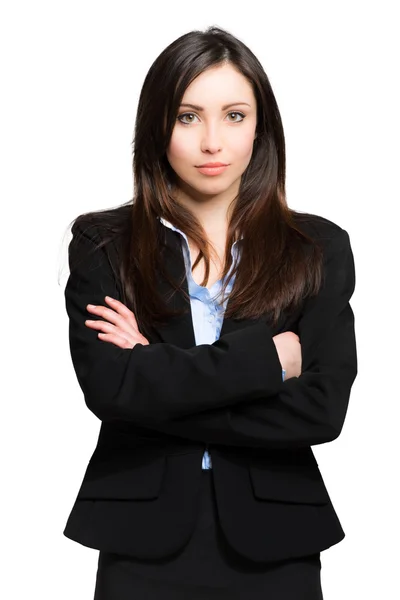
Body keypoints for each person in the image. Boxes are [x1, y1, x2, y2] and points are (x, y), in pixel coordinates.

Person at [62, 25, 357, 600]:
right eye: (188, 116)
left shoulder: (317, 248)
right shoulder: (103, 243)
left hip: (277, 534)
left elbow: (323, 411)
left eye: (235, 115)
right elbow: (110, 389)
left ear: (260, 127)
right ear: (158, 127)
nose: (213, 143)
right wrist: (264, 364)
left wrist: (155, 374)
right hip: (141, 536)